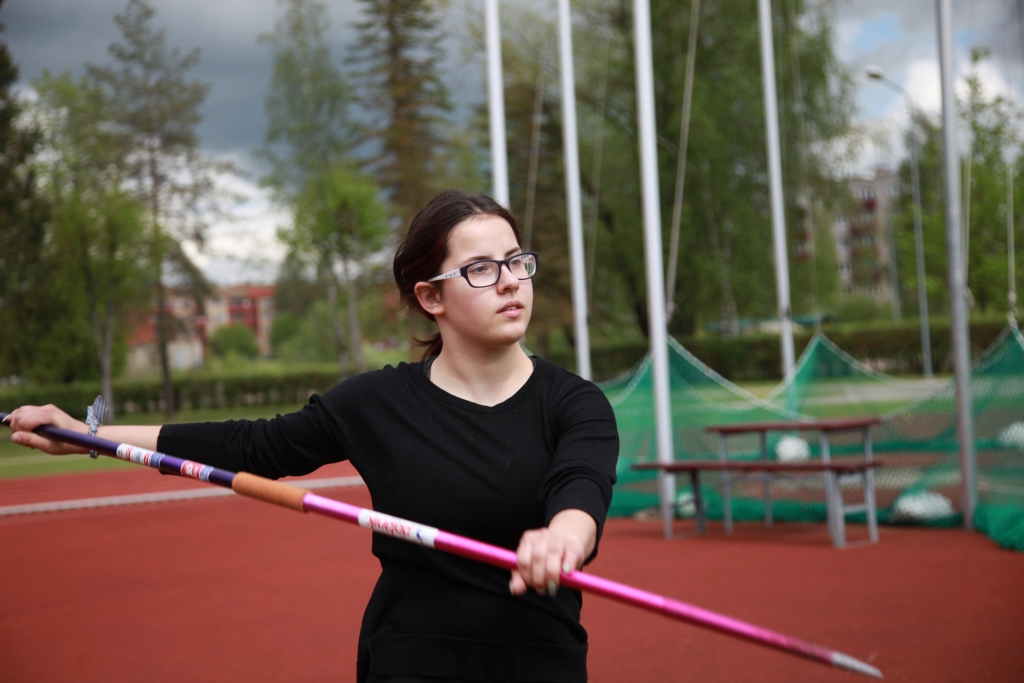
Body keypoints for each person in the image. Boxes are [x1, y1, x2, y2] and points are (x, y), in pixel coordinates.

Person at [5, 189, 619, 683]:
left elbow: (581, 486)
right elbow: (249, 446)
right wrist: (89, 435)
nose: (511, 280)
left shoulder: (575, 403)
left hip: (541, 662)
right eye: (482, 269)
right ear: (430, 297)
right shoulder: (376, 403)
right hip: (411, 663)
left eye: (516, 261)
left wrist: (563, 537)